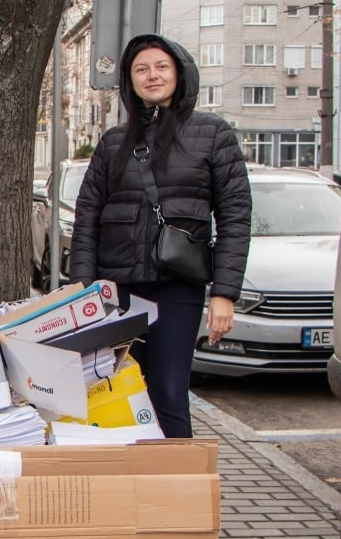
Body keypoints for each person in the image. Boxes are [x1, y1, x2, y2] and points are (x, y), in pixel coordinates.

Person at [69, 34, 251, 439]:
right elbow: (88, 217)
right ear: (129, 81)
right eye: (141, 69)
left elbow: (236, 216)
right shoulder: (114, 142)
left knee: (168, 392)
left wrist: (225, 293)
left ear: (180, 72)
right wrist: (81, 290)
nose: (152, 75)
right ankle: (135, 489)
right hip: (115, 292)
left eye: (161, 67)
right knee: (118, 393)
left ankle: (178, 490)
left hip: (176, 288)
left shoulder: (213, 134)